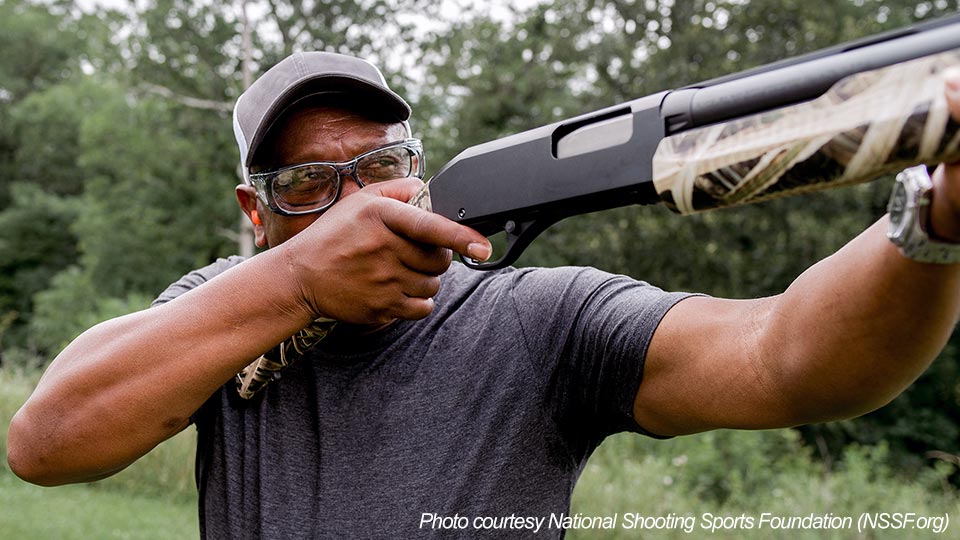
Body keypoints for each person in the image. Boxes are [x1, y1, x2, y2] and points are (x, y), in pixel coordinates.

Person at [7, 51, 960, 538]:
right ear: (255, 213)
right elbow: (45, 445)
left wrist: (935, 220)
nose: (348, 207)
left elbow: (792, 362)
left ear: (420, 172)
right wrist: (295, 283)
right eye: (307, 185)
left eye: (379, 167)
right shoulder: (226, 309)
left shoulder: (539, 318)